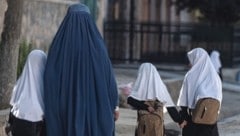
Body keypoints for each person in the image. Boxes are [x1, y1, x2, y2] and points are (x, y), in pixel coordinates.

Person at [44, 3, 119, 136]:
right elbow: (109, 80)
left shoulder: (58, 47)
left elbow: (49, 79)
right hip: (95, 112)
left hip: (65, 111)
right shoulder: (99, 48)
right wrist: (115, 106)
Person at [127, 63, 186, 136]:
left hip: (143, 128)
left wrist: (145, 106)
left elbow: (130, 100)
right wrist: (180, 120)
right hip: (157, 128)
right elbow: (169, 105)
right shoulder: (160, 87)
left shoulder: (140, 87)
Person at [177, 48, 222, 136]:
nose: (189, 64)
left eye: (191, 60)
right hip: (210, 121)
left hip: (193, 122)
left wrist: (182, 118)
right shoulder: (215, 76)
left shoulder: (190, 76)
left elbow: (184, 103)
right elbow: (219, 99)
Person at [8, 50, 47, 136]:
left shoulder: (19, 84)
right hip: (35, 126)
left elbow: (12, 106)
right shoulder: (46, 90)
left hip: (17, 123)